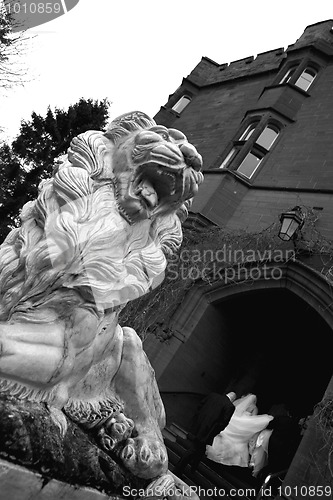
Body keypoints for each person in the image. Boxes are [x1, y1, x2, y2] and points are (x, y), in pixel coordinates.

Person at [173, 391, 236, 477]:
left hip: (199, 425)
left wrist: (198, 419)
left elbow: (200, 406)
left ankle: (194, 467)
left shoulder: (213, 395)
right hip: (208, 431)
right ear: (233, 399)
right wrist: (214, 432)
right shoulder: (230, 406)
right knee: (193, 449)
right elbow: (223, 423)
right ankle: (177, 470)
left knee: (201, 449)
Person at [206, 394, 274, 468]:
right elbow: (252, 420)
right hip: (242, 428)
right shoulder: (254, 407)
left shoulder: (238, 403)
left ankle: (214, 459)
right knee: (238, 442)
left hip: (232, 425)